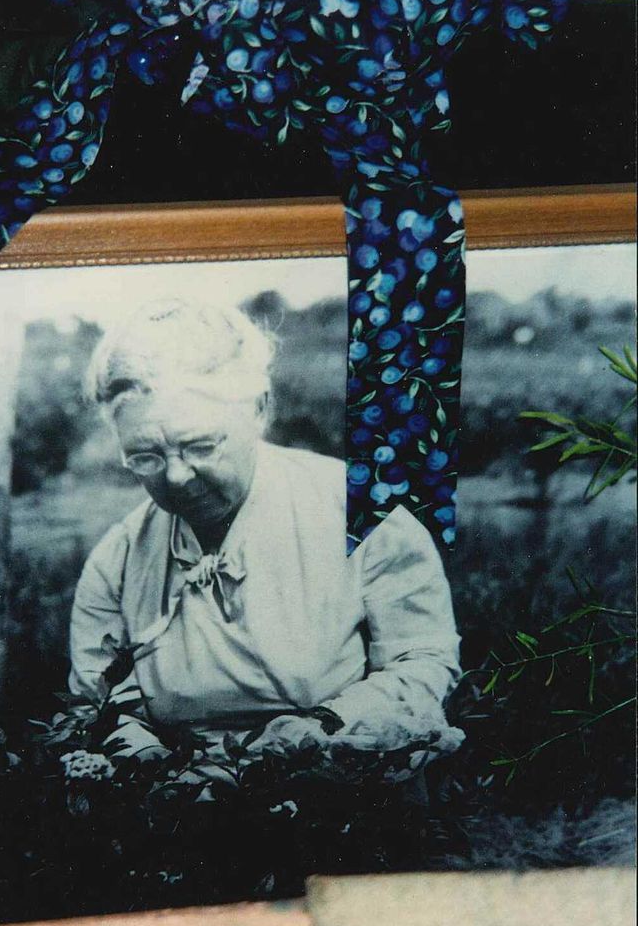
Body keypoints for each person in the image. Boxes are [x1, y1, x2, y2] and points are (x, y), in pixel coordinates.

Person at [69, 297, 464, 775]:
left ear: (258, 409)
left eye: (199, 446)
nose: (175, 476)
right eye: (145, 455)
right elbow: (104, 701)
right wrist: (157, 771)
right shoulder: (120, 558)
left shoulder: (362, 516)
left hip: (345, 782)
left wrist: (325, 726)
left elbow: (422, 660)